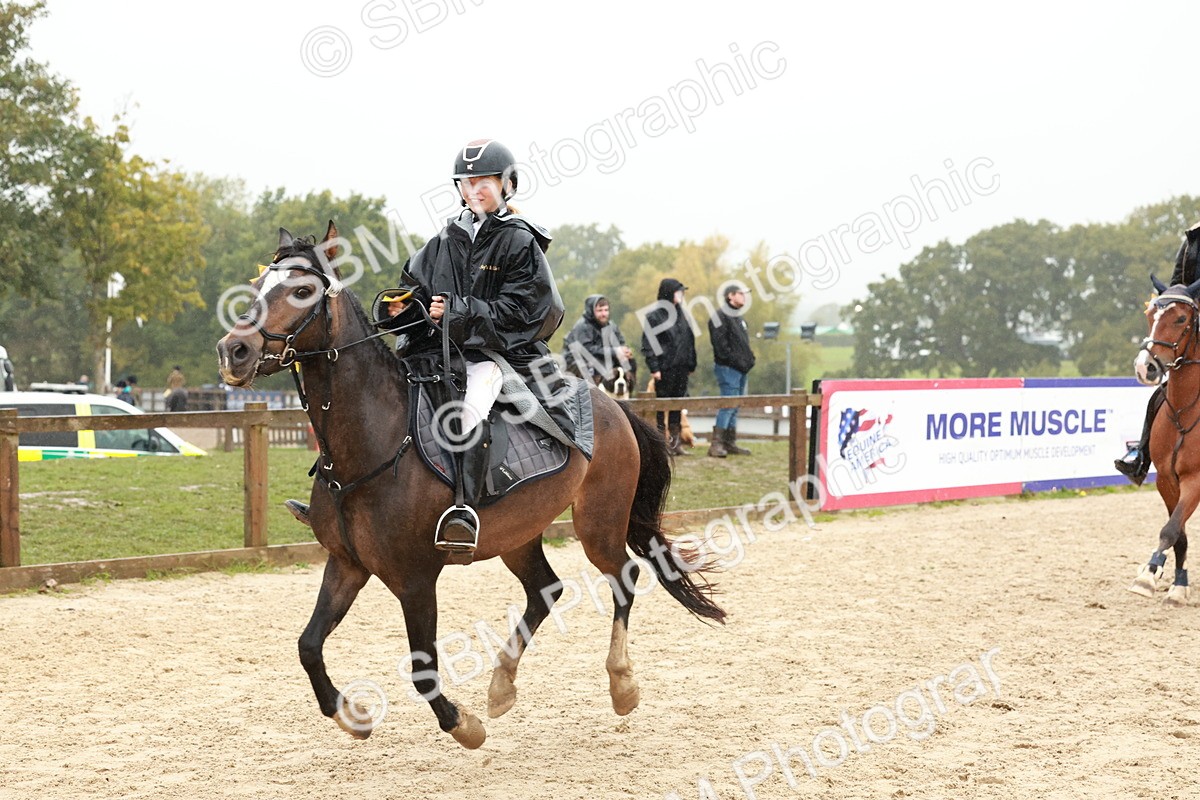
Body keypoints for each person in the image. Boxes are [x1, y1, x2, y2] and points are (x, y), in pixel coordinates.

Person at [290, 138, 567, 558]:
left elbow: (527, 309)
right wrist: (399, 309)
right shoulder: (443, 240)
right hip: (438, 352)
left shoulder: (520, 242)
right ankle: (333, 502)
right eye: (467, 183)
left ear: (507, 185)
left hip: (494, 356)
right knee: (377, 397)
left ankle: (463, 508)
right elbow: (415, 290)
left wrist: (457, 311)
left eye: (484, 183)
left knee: (469, 407)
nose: (475, 191)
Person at [1115, 221, 1200, 484]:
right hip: (1190, 316)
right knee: (1160, 396)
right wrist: (1175, 298)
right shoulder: (1191, 240)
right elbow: (1177, 280)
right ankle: (1141, 456)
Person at [641, 277, 696, 456]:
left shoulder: (682, 313)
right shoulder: (654, 316)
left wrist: (691, 363)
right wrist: (654, 367)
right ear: (669, 292)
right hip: (664, 369)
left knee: (677, 406)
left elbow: (689, 339)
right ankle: (660, 444)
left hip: (681, 368)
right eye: (678, 291)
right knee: (660, 407)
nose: (681, 295)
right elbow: (649, 343)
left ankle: (675, 443)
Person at [707, 282, 756, 458]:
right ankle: (716, 444)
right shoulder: (720, 316)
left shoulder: (738, 317)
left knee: (735, 405)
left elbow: (741, 344)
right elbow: (721, 348)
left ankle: (729, 442)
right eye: (741, 294)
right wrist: (738, 362)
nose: (744, 297)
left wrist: (749, 360)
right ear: (731, 296)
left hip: (740, 369)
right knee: (727, 405)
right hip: (728, 369)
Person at [562, 294, 634, 385]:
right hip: (578, 362)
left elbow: (621, 342)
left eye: (606, 310)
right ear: (592, 311)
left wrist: (625, 351)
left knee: (629, 362)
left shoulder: (611, 326)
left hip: (602, 358)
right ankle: (594, 392)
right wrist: (615, 352)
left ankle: (624, 392)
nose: (604, 314)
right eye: (599, 310)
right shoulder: (582, 326)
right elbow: (587, 350)